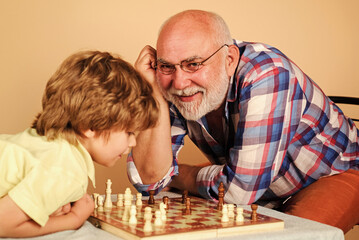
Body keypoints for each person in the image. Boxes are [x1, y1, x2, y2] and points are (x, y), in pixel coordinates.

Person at [129, 9, 359, 233]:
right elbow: (149, 183)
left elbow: (240, 191)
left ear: (229, 60)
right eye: (167, 65)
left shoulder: (267, 74)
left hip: (334, 172)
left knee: (291, 236)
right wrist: (152, 94)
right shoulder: (168, 80)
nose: (179, 82)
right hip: (259, 180)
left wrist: (181, 174)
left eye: (194, 64)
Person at [0, 50, 158, 237]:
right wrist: (73, 219)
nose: (133, 142)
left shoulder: (45, 144)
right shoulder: (66, 169)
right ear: (90, 126)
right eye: (129, 132)